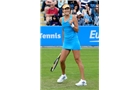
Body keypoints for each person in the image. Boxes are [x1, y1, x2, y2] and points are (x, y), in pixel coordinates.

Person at [57, 4, 87, 86]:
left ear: (69, 10)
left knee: (77, 59)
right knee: (62, 60)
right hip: (66, 42)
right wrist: (63, 43)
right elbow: (63, 31)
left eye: (68, 8)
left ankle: (83, 80)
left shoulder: (73, 18)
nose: (66, 10)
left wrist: (72, 25)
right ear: (62, 10)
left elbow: (77, 30)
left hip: (74, 41)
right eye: (64, 9)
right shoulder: (61, 19)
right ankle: (63, 75)